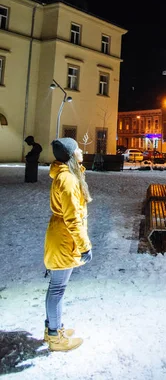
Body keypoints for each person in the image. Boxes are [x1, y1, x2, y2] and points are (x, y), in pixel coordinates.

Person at [43, 137, 93, 351]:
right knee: (57, 289)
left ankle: (53, 328)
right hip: (65, 239)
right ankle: (55, 336)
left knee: (56, 288)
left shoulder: (68, 175)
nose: (81, 151)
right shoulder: (68, 180)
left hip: (62, 236)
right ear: (72, 155)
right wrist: (85, 246)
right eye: (78, 149)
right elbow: (72, 218)